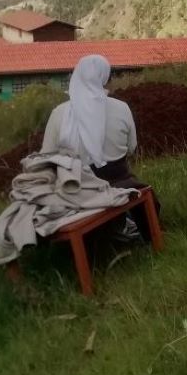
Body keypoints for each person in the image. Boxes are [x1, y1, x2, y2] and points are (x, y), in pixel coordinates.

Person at [40, 54, 158, 240]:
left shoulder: (59, 114)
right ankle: (131, 230)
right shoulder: (121, 108)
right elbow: (132, 148)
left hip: (76, 187)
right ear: (105, 77)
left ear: (76, 75)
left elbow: (46, 157)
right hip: (120, 182)